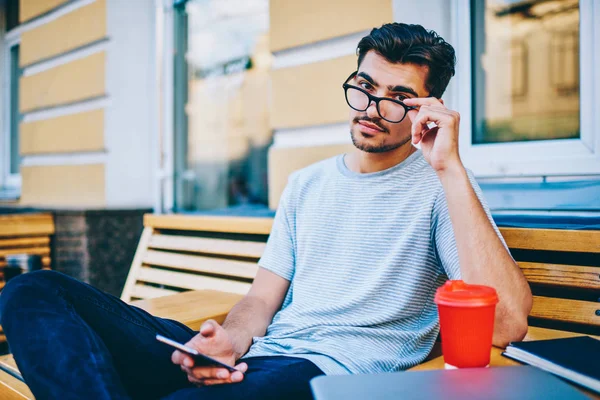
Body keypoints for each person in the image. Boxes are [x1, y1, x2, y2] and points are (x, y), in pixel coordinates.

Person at [0, 23, 532, 400]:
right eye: (365, 88)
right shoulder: (307, 184)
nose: (371, 109)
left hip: (325, 373)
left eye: (397, 98)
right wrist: (228, 342)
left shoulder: (443, 186)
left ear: (428, 108)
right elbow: (259, 299)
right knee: (32, 291)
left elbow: (506, 325)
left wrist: (451, 168)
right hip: (257, 356)